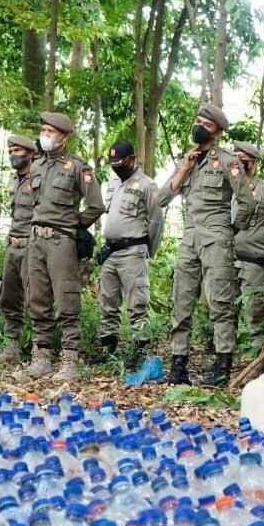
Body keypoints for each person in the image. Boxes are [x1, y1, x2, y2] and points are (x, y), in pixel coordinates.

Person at [162, 103, 254, 385]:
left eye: (207, 123)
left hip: (216, 237)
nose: (199, 125)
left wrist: (228, 229)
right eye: (198, 120)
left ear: (217, 132)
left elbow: (247, 202)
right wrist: (183, 170)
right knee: (181, 299)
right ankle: (179, 365)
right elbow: (159, 200)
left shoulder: (228, 161)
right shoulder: (187, 161)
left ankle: (222, 365)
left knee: (221, 301)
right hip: (189, 238)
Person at [22, 111, 104, 380]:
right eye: (43, 130)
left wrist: (73, 224)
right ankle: (41, 358)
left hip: (61, 240)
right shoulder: (36, 166)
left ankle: (70, 360)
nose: (45, 136)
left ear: (64, 137)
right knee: (37, 299)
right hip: (35, 240)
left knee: (67, 299)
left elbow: (96, 206)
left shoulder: (78, 167)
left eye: (50, 132)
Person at [93, 139, 164, 369]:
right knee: (107, 302)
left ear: (132, 160)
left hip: (133, 251)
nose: (116, 166)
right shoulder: (114, 183)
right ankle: (108, 349)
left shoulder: (147, 185)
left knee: (137, 303)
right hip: (110, 251)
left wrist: (146, 250)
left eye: (120, 162)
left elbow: (155, 221)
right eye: (112, 162)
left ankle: (140, 351)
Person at [0, 134, 38, 368]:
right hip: (13, 244)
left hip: (32, 245)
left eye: (17, 151)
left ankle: (40, 350)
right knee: (8, 297)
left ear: (30, 153)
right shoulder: (14, 180)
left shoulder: (39, 177)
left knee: (35, 299)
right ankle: (11, 348)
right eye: (10, 152)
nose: (12, 155)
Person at [232, 140, 264, 356]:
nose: (237, 164)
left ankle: (262, 357)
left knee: (256, 311)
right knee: (224, 310)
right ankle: (224, 358)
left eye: (242, 160)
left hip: (255, 262)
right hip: (229, 259)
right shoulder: (229, 189)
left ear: (252, 163)